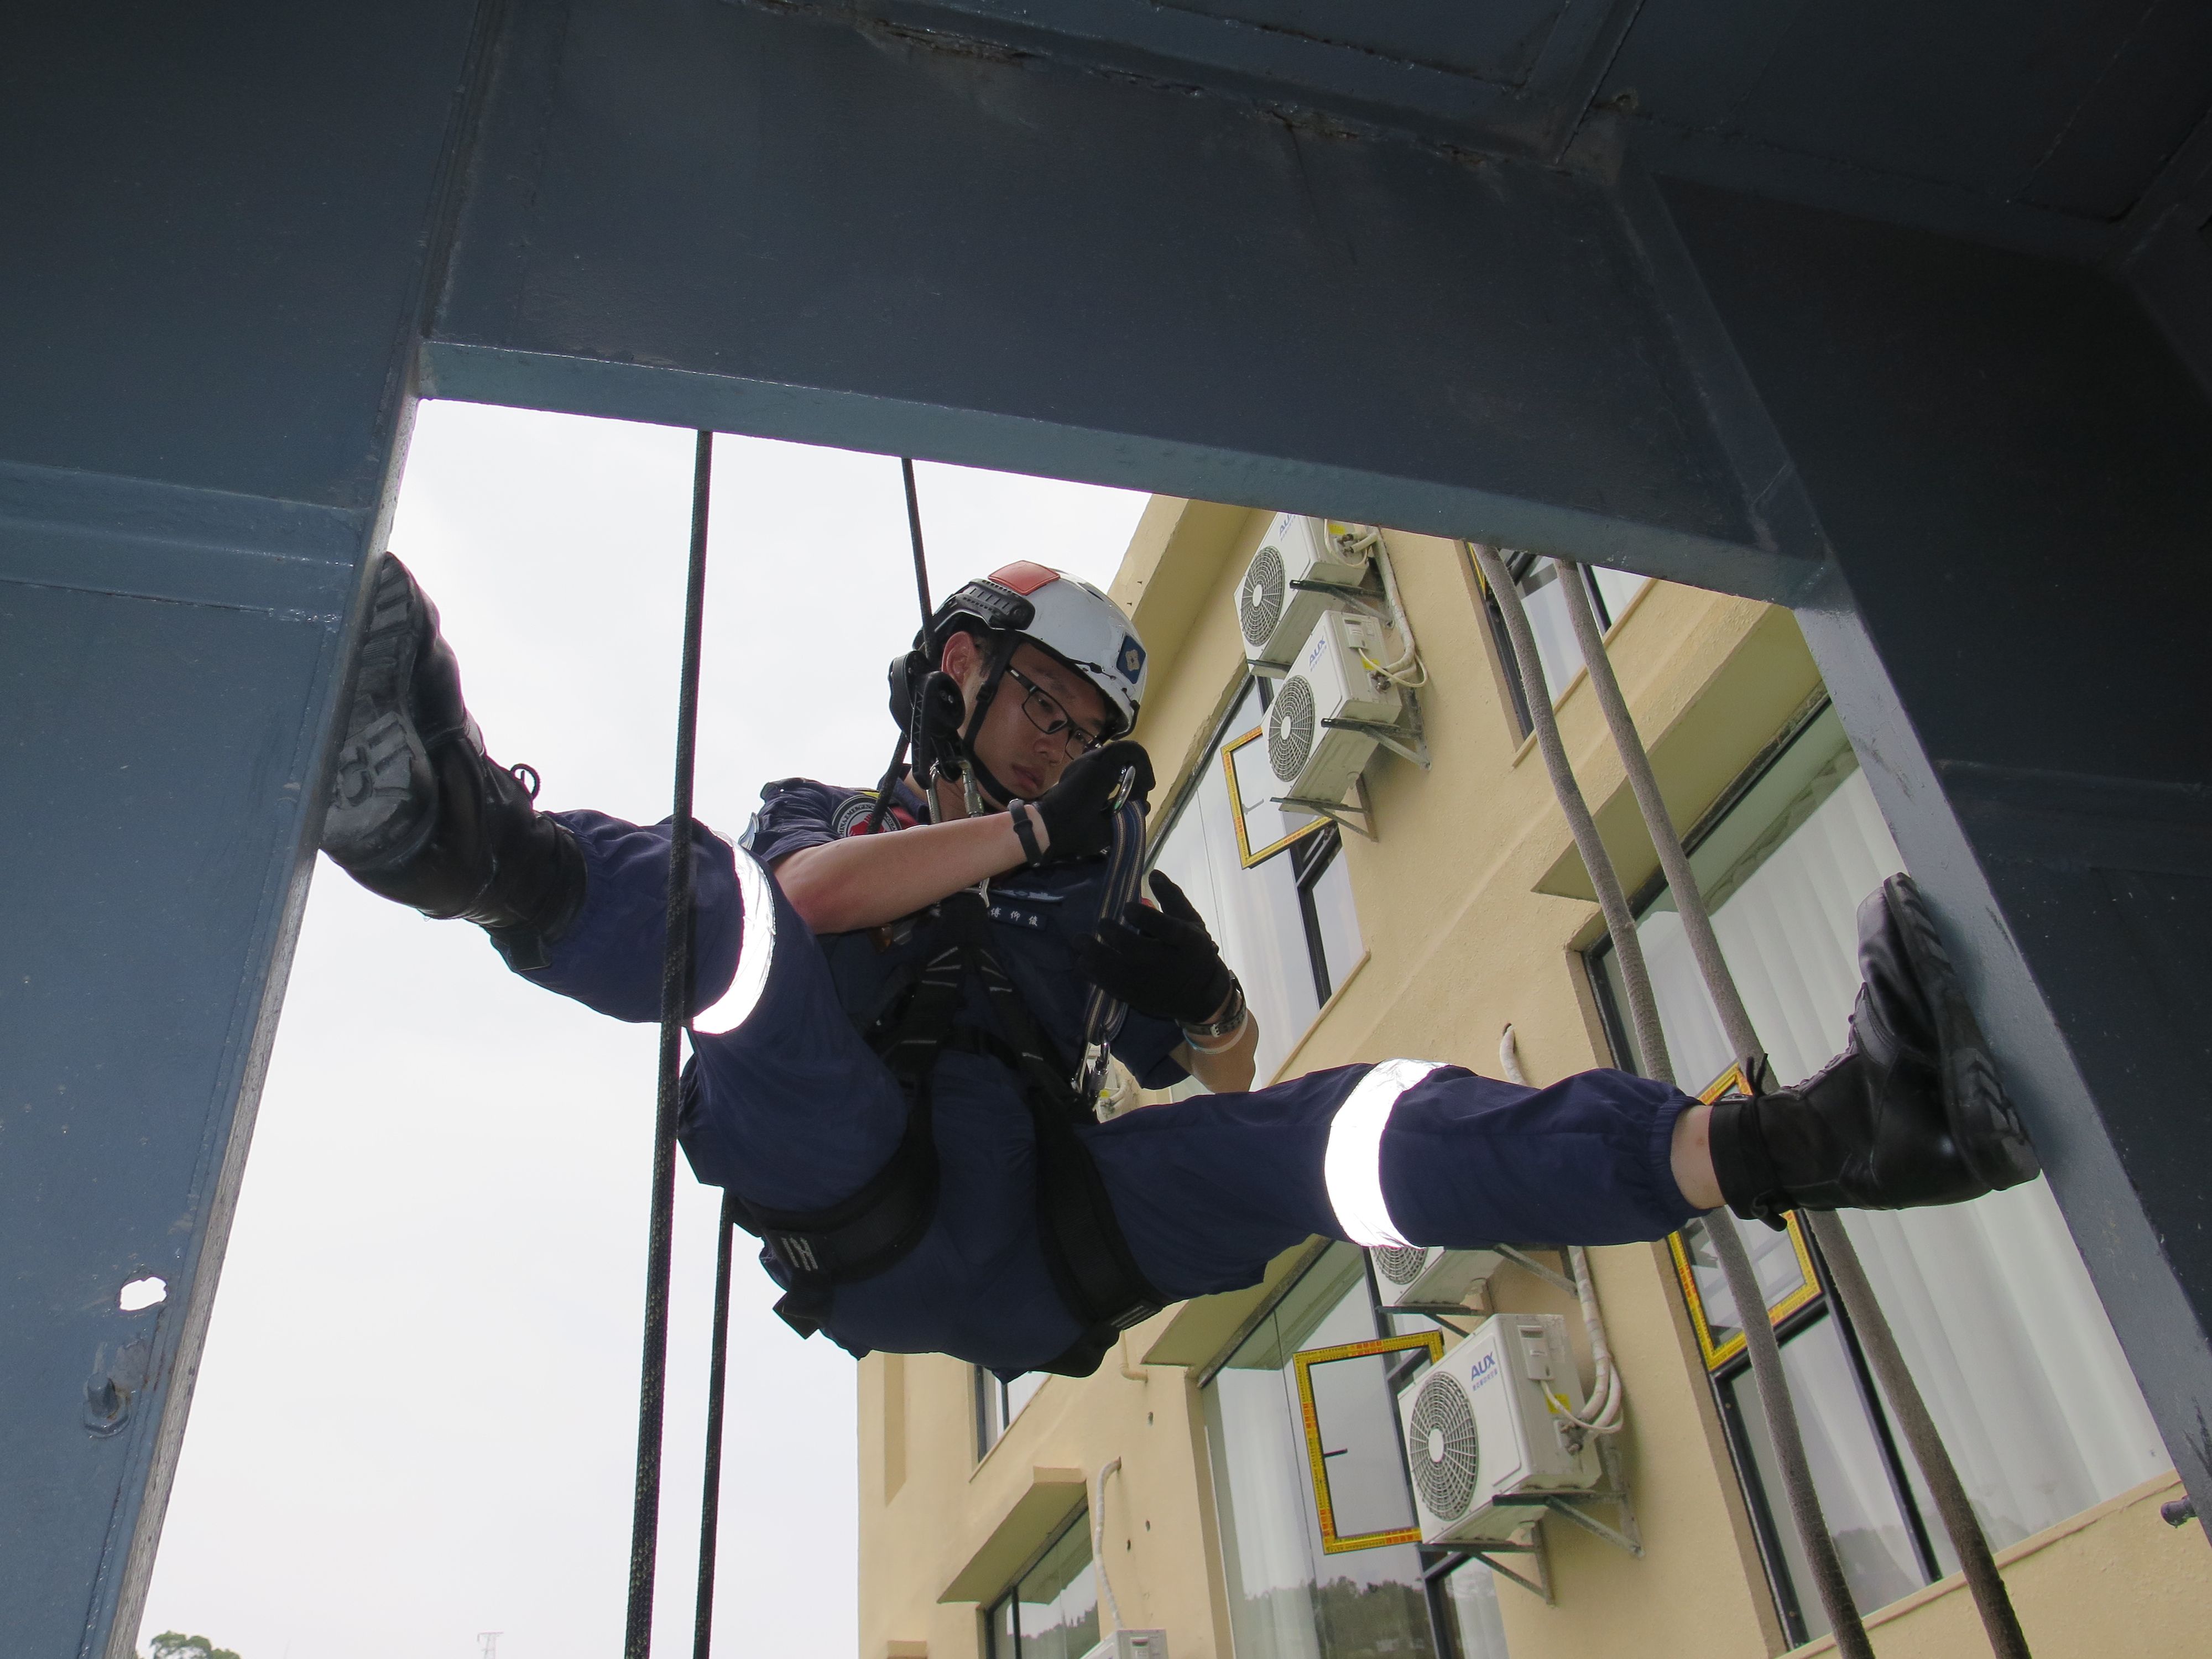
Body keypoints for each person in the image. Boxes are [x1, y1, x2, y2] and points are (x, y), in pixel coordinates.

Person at [321, 552, 2041, 1378]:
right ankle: (469, 850)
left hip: (1044, 1238)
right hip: (857, 1187)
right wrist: (1026, 839)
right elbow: (817, 902)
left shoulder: (1092, 897)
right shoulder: (848, 818)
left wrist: (1204, 997)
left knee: (1345, 1135)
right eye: (1043, 710)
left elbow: (1221, 1083)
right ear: (961, 674)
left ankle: (1818, 1140)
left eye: (1085, 736)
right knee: (743, 938)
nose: (1060, 748)